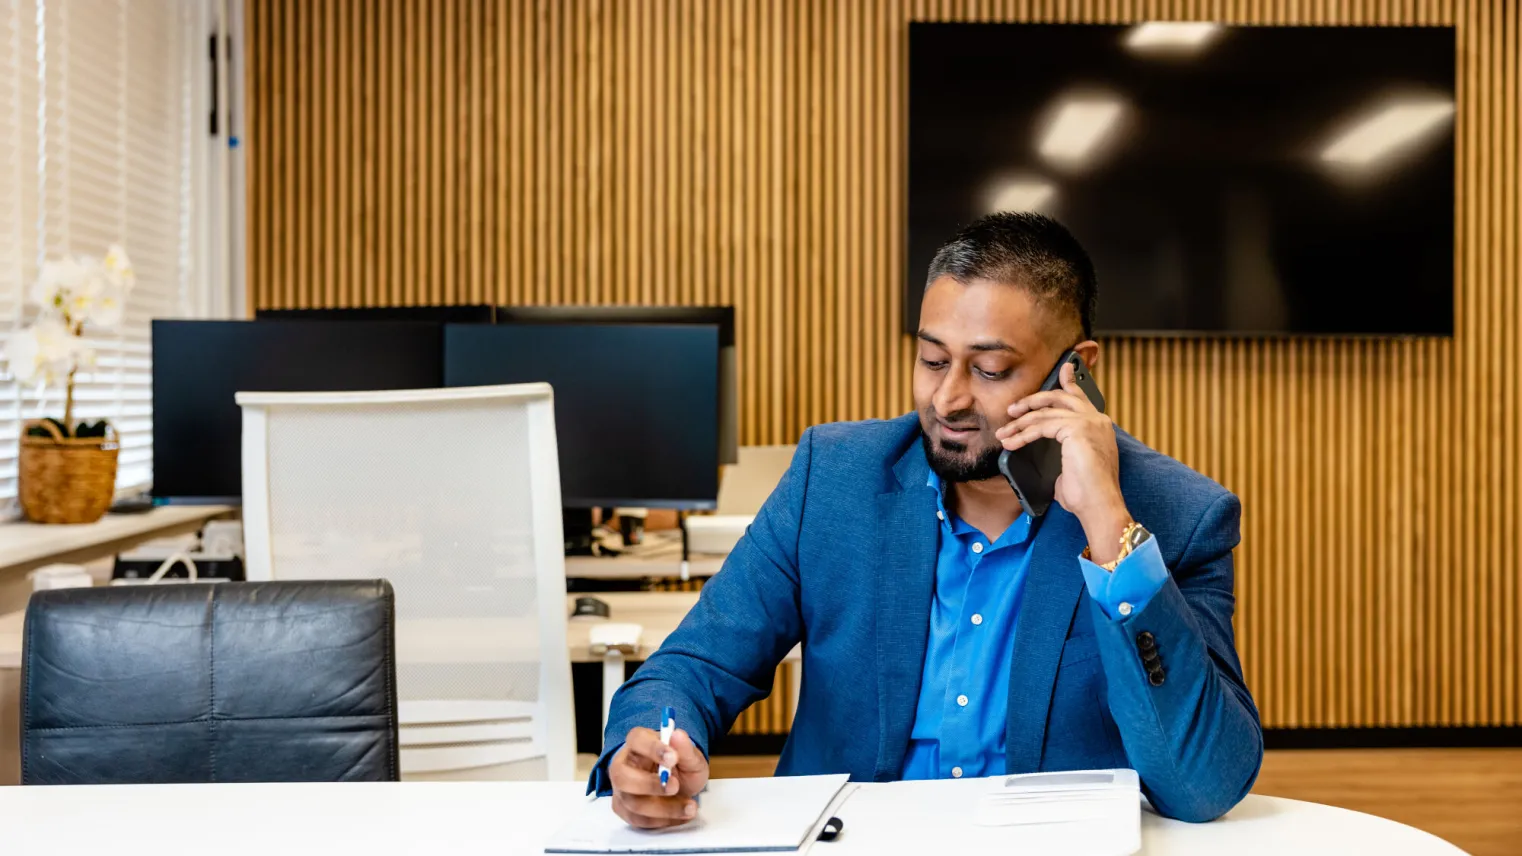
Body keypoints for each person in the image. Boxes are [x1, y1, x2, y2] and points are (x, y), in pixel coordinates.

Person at [592, 212, 1263, 826]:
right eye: (933, 359)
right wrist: (650, 742)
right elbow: (694, 663)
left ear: (1075, 372)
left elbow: (1203, 784)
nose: (947, 398)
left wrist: (1110, 530)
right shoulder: (834, 478)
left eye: (990, 369)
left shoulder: (1177, 515)